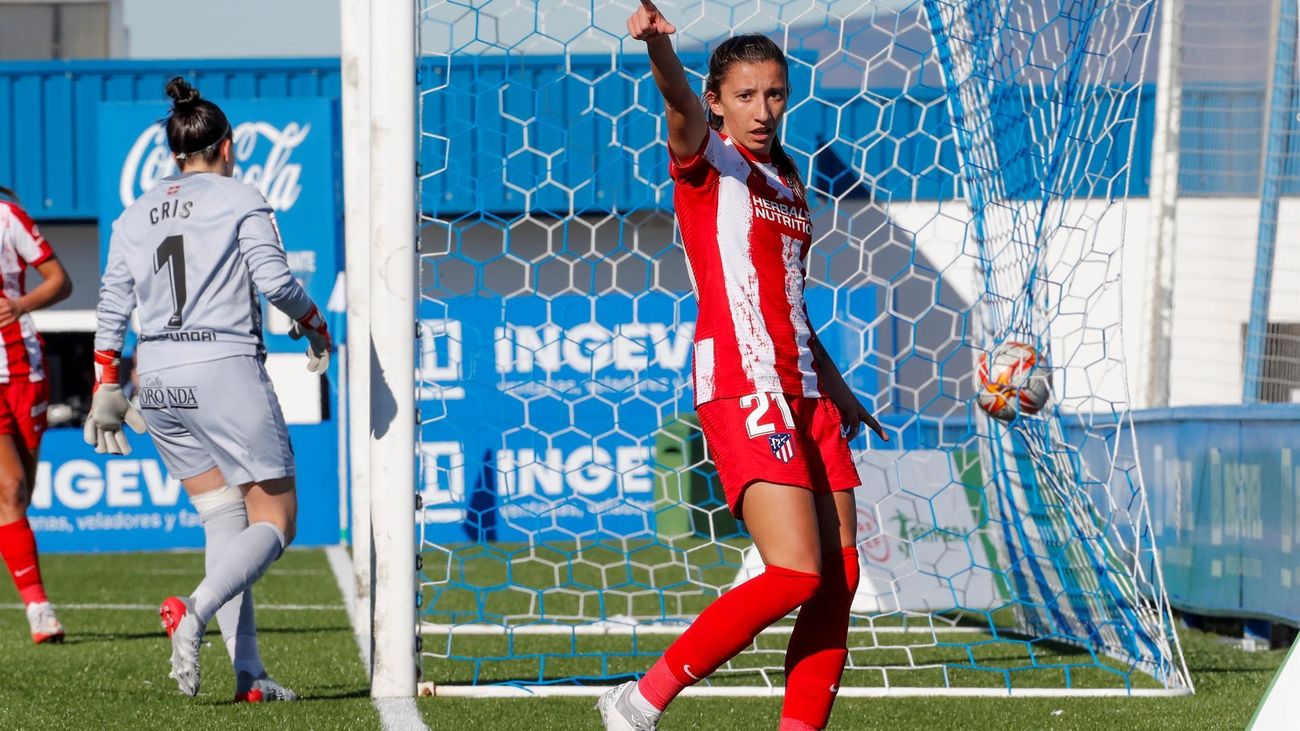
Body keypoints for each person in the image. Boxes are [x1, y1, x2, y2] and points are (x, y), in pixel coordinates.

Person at [600, 4, 889, 730]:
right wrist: (661, 47)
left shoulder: (788, 181)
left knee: (841, 575)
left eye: (775, 94)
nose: (763, 110)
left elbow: (792, 299)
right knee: (794, 569)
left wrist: (841, 389)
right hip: (742, 379)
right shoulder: (708, 160)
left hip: (809, 390)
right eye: (746, 96)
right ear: (719, 100)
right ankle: (638, 700)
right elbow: (675, 103)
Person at [86, 77, 332, 701]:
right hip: (222, 367)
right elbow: (275, 283)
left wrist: (103, 385)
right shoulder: (240, 194)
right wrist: (313, 322)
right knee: (277, 520)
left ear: (174, 156)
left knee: (222, 515)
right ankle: (192, 611)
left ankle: (249, 675)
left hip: (158, 378)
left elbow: (112, 304)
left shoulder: (134, 212)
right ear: (228, 146)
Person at [0, 185, 72, 644]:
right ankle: (39, 609)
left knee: (21, 494)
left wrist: (20, 305)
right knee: (9, 488)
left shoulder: (8, 217)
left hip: (24, 369)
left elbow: (61, 280)